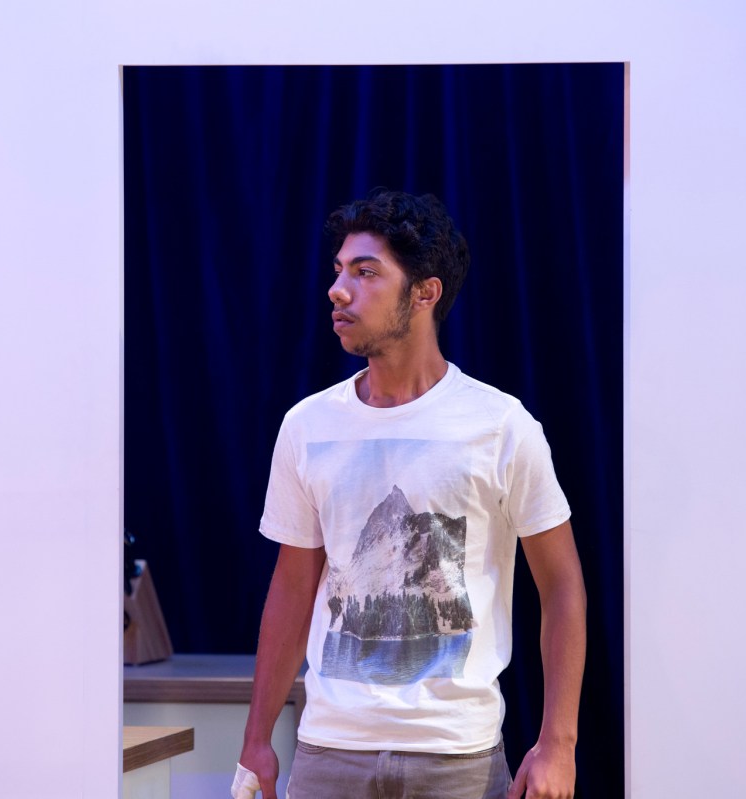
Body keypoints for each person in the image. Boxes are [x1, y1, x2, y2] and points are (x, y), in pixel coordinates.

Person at [237, 190, 586, 799]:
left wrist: (559, 743)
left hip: (457, 756)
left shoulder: (501, 426)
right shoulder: (307, 426)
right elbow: (293, 587)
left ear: (425, 293)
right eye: (338, 271)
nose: (338, 290)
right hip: (329, 751)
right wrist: (256, 741)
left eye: (365, 272)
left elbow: (561, 587)